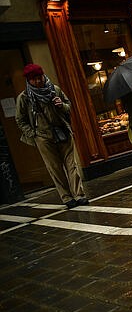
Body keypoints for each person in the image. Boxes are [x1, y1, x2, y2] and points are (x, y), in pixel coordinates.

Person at [15, 64, 88, 209]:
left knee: (71, 165)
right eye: (34, 79)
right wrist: (33, 134)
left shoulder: (55, 89)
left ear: (43, 75)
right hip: (43, 137)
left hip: (63, 132)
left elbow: (69, 106)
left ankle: (79, 195)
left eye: (39, 77)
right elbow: (20, 119)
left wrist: (62, 105)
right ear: (28, 81)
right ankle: (67, 197)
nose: (38, 81)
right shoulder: (24, 98)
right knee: (55, 168)